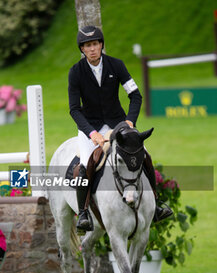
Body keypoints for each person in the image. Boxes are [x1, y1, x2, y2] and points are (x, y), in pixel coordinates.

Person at [68, 25, 172, 232]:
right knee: (85, 165)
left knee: (145, 155)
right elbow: (74, 109)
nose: (92, 49)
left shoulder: (117, 65)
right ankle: (84, 213)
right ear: (82, 49)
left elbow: (135, 95)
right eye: (88, 45)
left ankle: (157, 204)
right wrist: (92, 133)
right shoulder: (76, 72)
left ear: (101, 45)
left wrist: (130, 121)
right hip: (91, 127)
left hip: (118, 124)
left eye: (95, 44)